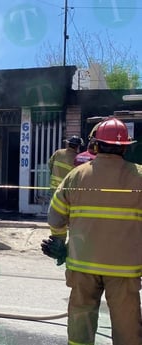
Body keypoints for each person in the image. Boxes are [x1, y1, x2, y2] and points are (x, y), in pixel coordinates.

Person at [45, 117, 142, 345]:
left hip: (82, 265)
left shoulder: (76, 175)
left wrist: (58, 241)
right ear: (126, 147)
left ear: (95, 145)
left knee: (81, 323)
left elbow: (56, 214)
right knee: (127, 328)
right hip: (125, 269)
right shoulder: (139, 176)